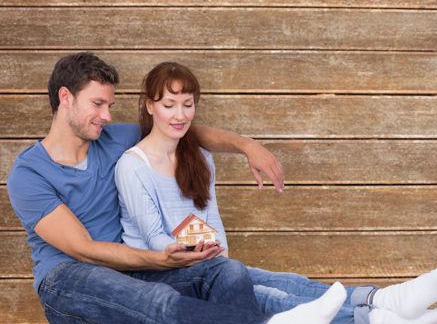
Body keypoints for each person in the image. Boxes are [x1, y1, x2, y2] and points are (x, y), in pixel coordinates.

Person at [7, 52, 351, 324]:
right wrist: (158, 259)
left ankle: (369, 306)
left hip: (131, 270)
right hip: (68, 282)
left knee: (228, 272)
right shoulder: (29, 173)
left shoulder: (112, 138)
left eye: (110, 106)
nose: (107, 116)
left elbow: (183, 130)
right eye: (98, 104)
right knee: (158, 303)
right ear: (65, 97)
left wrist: (246, 145)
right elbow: (82, 249)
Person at [115, 61, 437, 324]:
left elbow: (212, 220)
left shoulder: (200, 157)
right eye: (169, 105)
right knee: (264, 291)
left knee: (281, 280)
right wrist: (191, 254)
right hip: (160, 269)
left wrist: (215, 250)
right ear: (149, 106)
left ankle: (382, 299)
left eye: (187, 104)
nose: (180, 114)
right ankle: (373, 316)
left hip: (206, 263)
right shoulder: (133, 166)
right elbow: (154, 239)